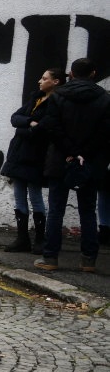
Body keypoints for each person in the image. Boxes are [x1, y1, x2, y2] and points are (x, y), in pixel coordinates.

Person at [36, 58, 110, 273]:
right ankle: (88, 260)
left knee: (56, 210)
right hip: (91, 162)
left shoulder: (59, 95)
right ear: (93, 73)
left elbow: (52, 127)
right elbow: (104, 133)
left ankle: (50, 258)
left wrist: (70, 151)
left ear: (71, 73)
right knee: (88, 211)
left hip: (61, 159)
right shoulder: (104, 98)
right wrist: (83, 153)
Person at [0, 68, 58, 252]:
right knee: (19, 197)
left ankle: (40, 239)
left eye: (44, 78)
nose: (40, 81)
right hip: (19, 154)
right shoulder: (36, 98)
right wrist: (29, 123)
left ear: (55, 82)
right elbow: (15, 118)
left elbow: (44, 130)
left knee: (35, 196)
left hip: (35, 156)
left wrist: (26, 126)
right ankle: (22, 238)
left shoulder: (56, 103)